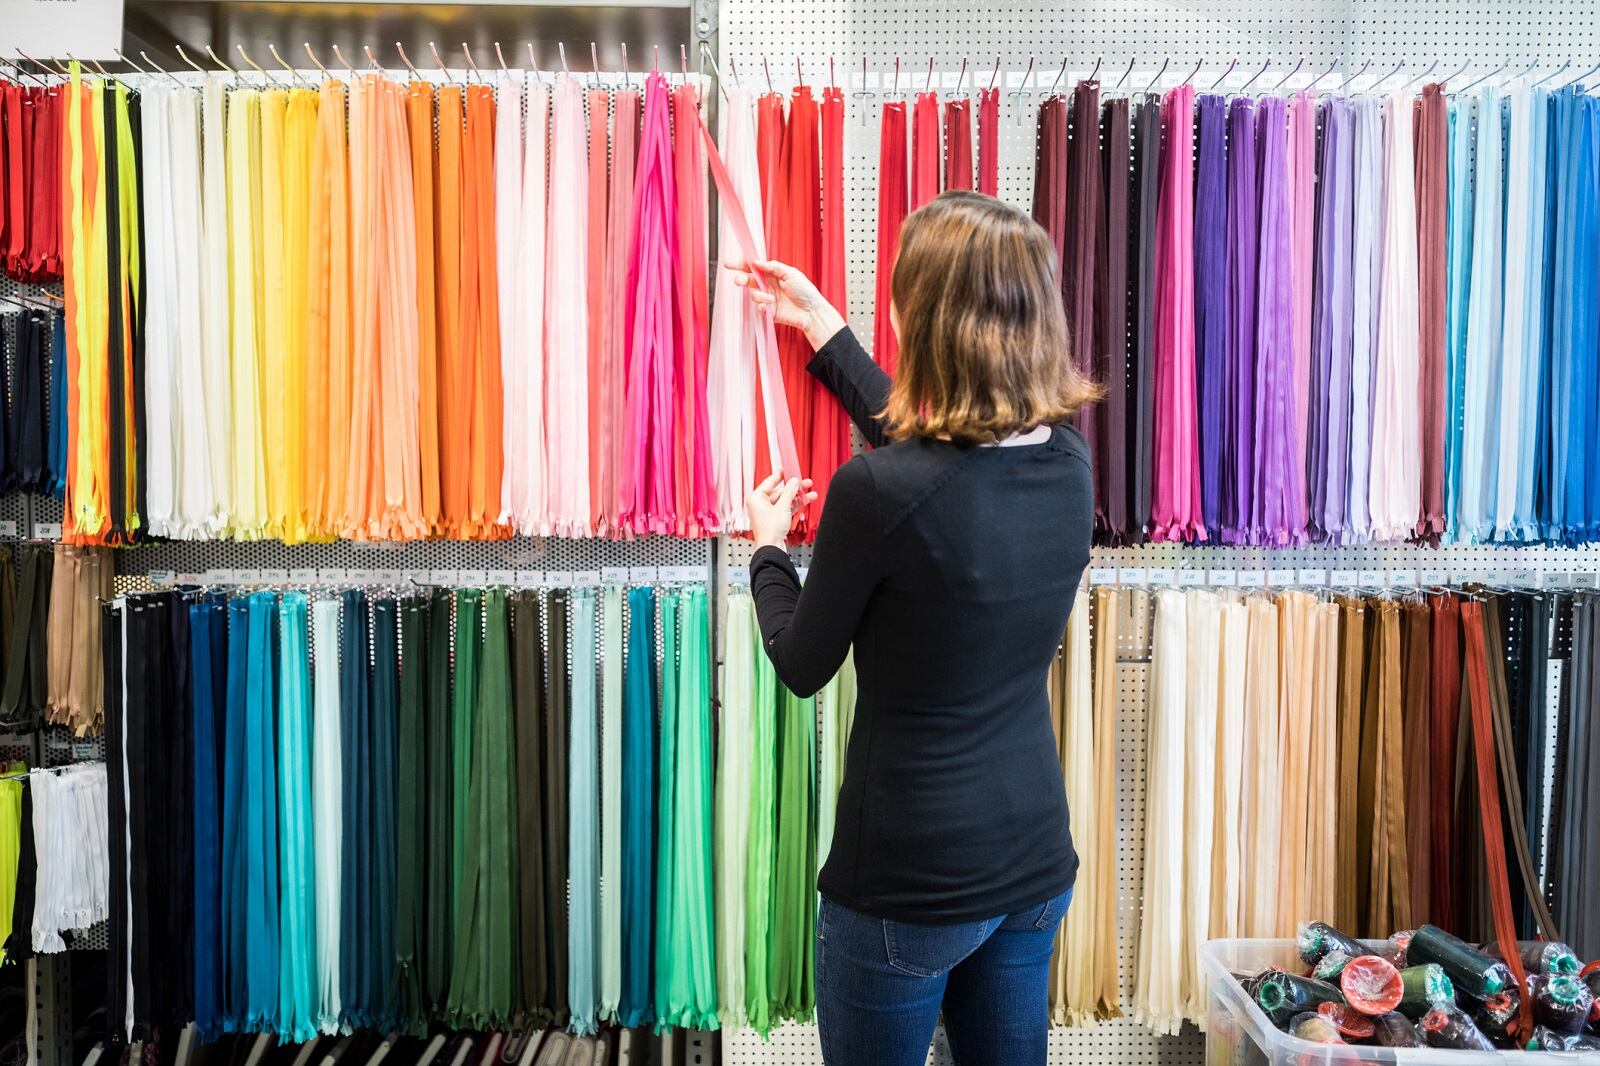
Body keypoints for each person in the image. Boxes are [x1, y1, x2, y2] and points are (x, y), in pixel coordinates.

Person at [732, 189, 1099, 1066]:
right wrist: (826, 333)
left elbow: (800, 662)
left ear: (923, 318)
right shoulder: (1069, 464)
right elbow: (945, 472)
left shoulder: (876, 493)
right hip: (1032, 869)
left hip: (906, 887)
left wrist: (769, 551)